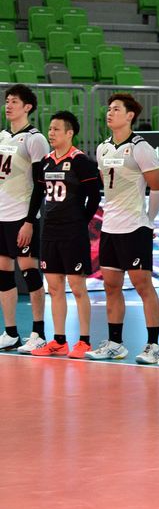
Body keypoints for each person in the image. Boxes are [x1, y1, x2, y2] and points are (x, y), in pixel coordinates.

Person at [85, 93, 159, 364]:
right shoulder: (103, 148)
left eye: (116, 109)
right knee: (111, 286)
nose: (109, 113)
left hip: (135, 226)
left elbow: (157, 187)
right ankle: (115, 343)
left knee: (143, 286)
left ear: (130, 115)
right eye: (108, 109)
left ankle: (153, 345)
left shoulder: (141, 147)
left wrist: (149, 221)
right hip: (110, 227)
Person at [29, 112, 100, 358]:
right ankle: (59, 340)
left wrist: (82, 220)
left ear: (70, 133)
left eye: (57, 129)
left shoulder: (81, 161)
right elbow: (38, 196)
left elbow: (95, 196)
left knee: (77, 286)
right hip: (50, 232)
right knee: (55, 287)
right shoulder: (45, 162)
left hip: (73, 233)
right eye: (50, 129)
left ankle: (85, 340)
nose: (51, 133)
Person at [0, 85, 49, 353]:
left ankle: (38, 332)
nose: (8, 105)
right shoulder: (2, 136)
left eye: (14, 101)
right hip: (1, 215)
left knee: (30, 272)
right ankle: (10, 333)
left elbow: (40, 185)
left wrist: (30, 220)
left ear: (27, 107)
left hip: (22, 216)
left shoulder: (35, 138)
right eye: (7, 101)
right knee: (3, 275)